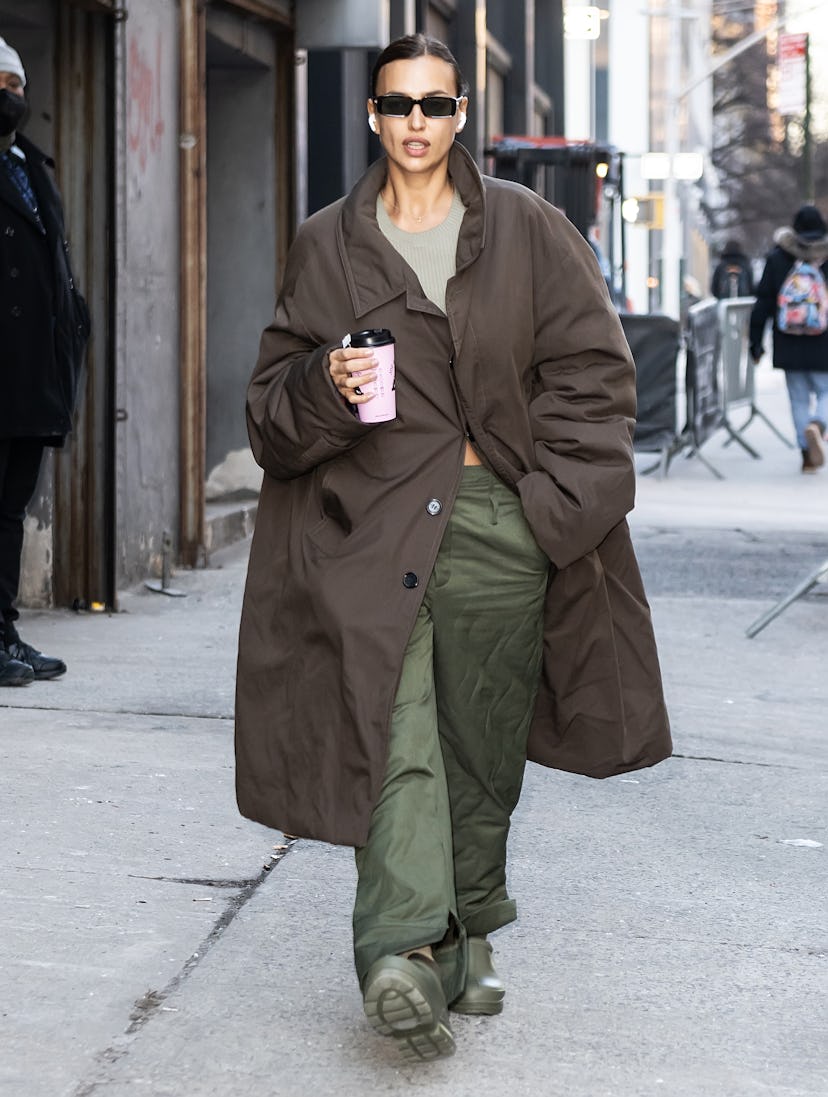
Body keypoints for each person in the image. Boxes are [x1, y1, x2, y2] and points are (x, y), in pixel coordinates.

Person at [235, 33, 671, 1062]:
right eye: (397, 105)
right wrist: (321, 387)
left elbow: (594, 375)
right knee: (394, 732)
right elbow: (268, 411)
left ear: (462, 113)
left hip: (494, 523)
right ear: (375, 116)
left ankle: (466, 924)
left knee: (478, 745)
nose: (416, 124)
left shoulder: (529, 229)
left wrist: (551, 502)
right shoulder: (326, 243)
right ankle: (399, 950)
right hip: (366, 526)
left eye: (435, 104)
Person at [0, 36, 89, 686]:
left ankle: (3, 630)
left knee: (10, 511)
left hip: (31, 377)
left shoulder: (30, 164)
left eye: (16, 86)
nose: (11, 98)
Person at [749, 205, 828, 474]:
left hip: (788, 341)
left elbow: (763, 303)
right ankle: (818, 424)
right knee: (826, 391)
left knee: (798, 398)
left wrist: (755, 344)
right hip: (823, 342)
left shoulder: (778, 257)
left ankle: (806, 455)